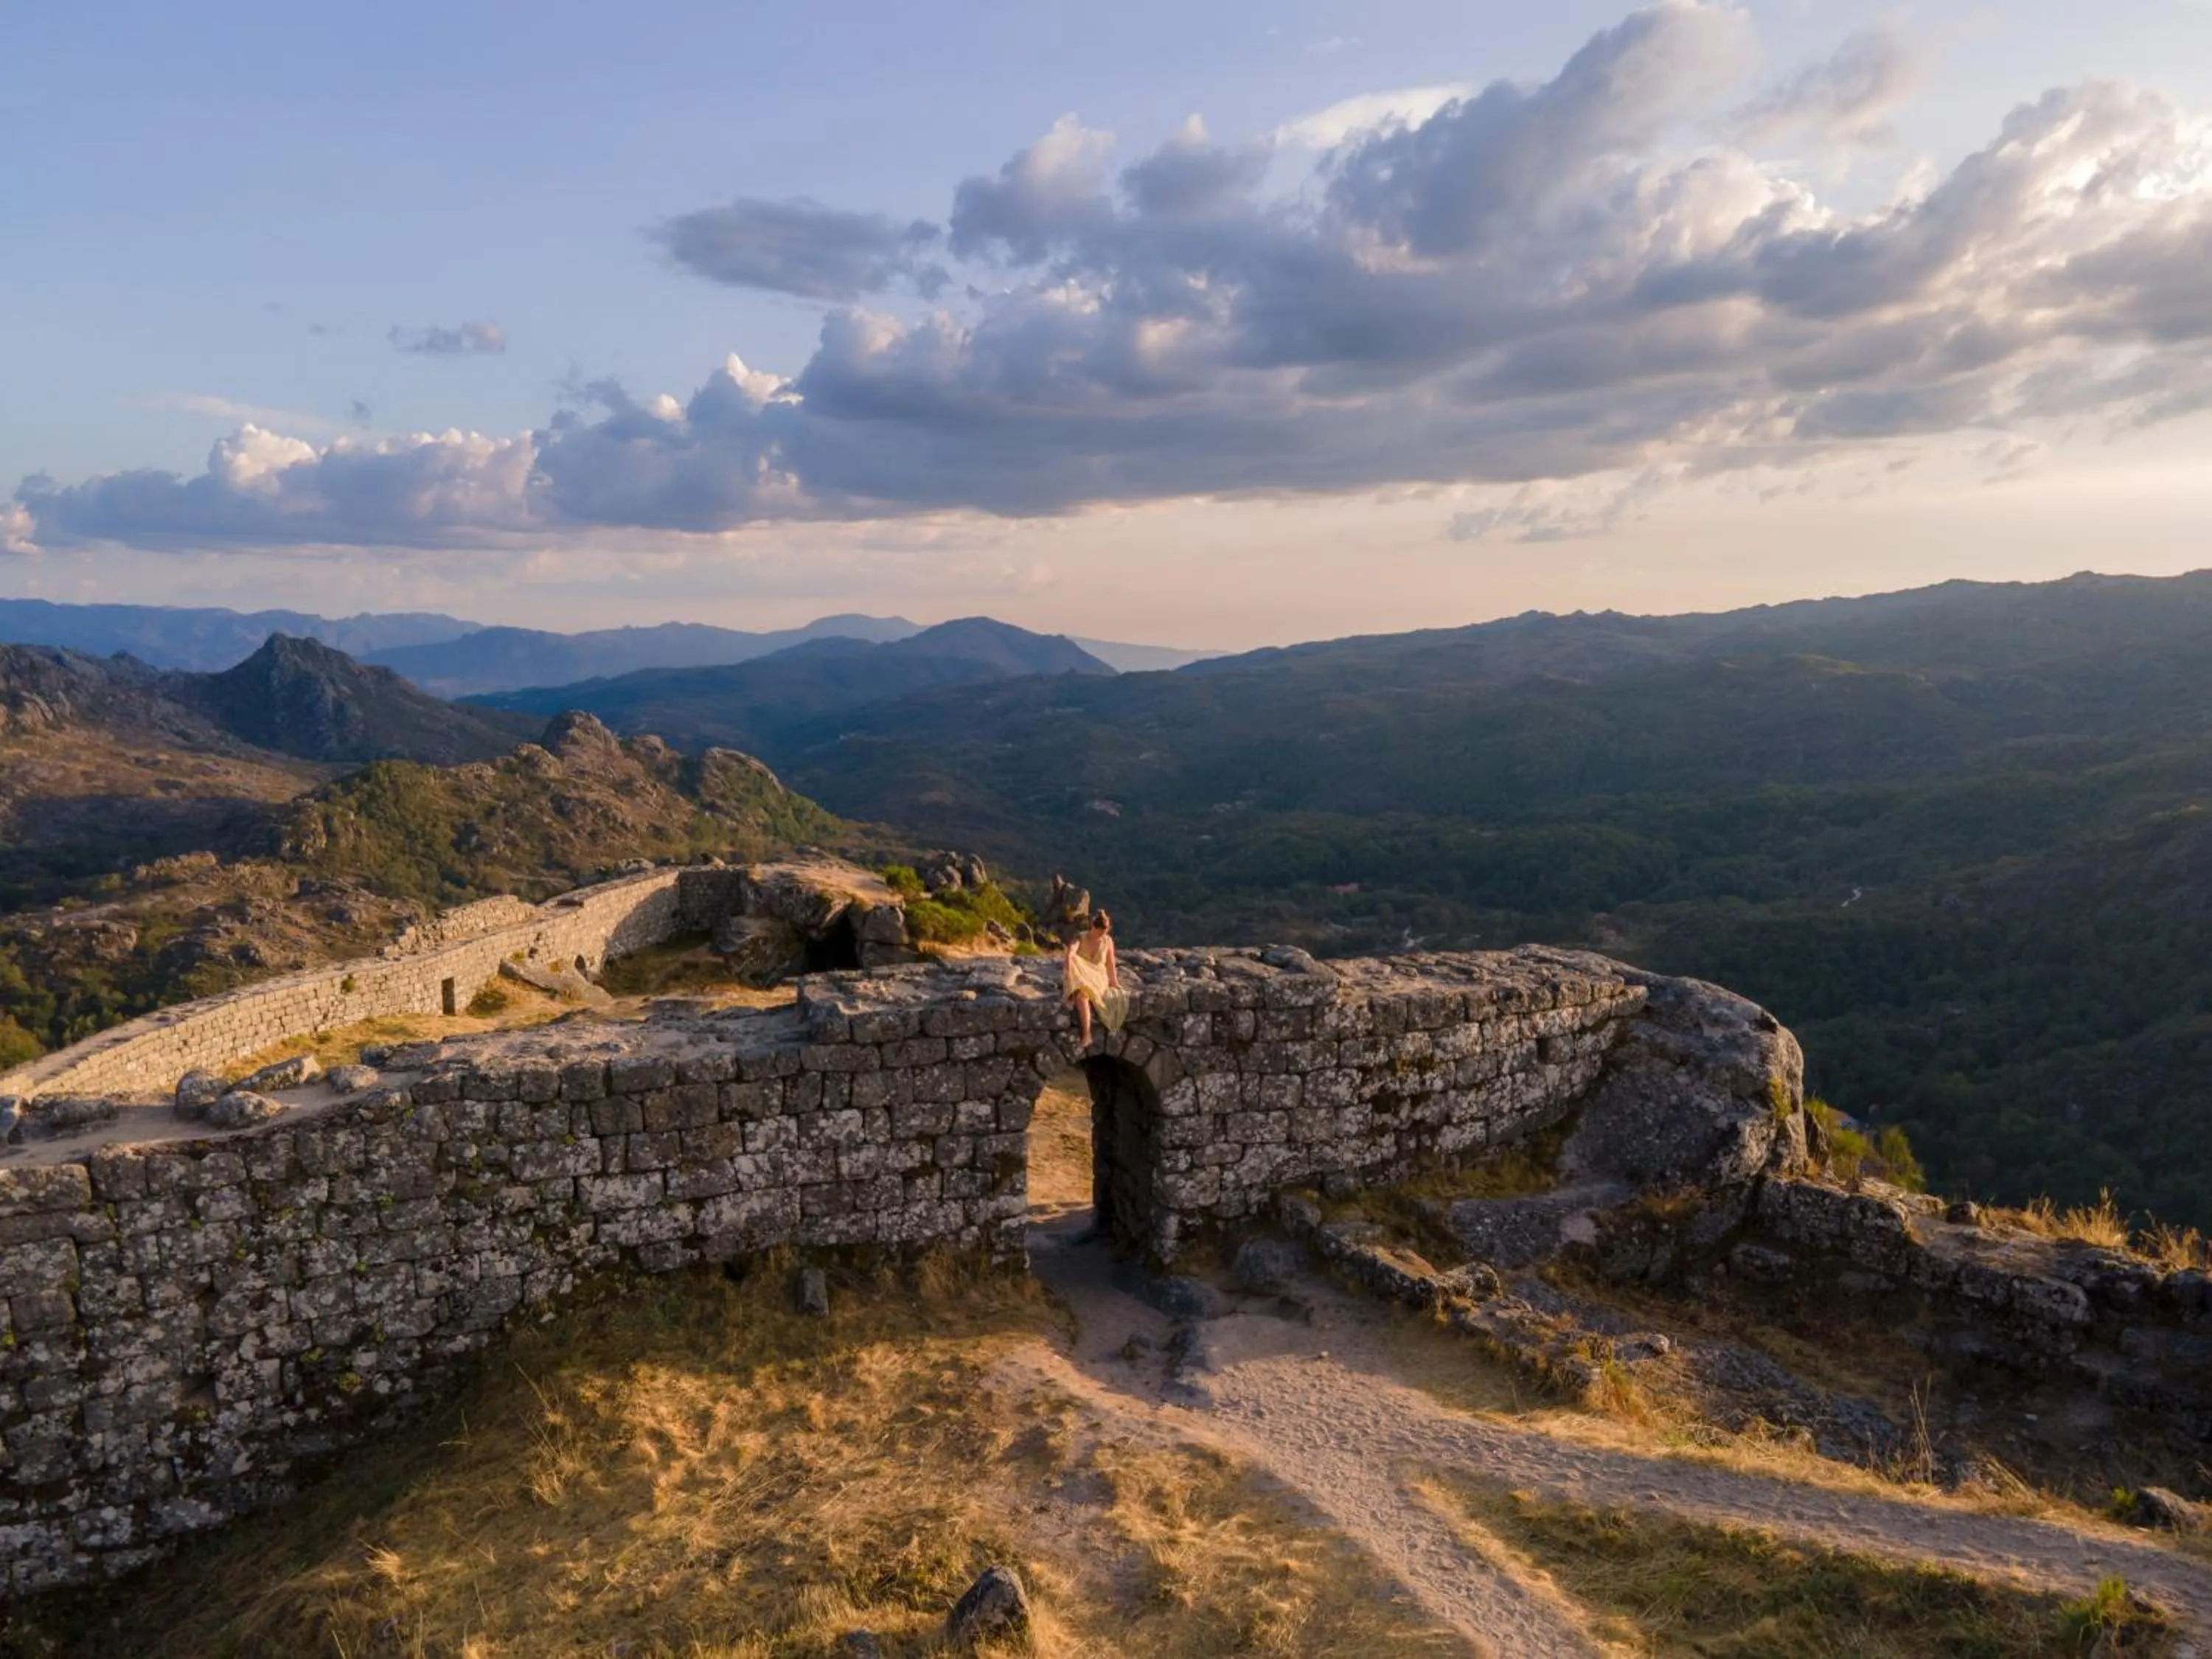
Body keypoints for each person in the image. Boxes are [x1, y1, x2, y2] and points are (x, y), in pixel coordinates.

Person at [1062, 909, 1127, 1048]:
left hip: (1098, 975)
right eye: (1099, 932)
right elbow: (1071, 952)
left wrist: (1114, 982)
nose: (1101, 935)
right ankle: (1087, 1035)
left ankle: (1086, 1035)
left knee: (1082, 994)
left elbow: (1110, 963)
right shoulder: (1081, 937)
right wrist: (1068, 966)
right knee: (1082, 995)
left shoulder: (1108, 941)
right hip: (1082, 974)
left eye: (1104, 932)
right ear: (1093, 926)